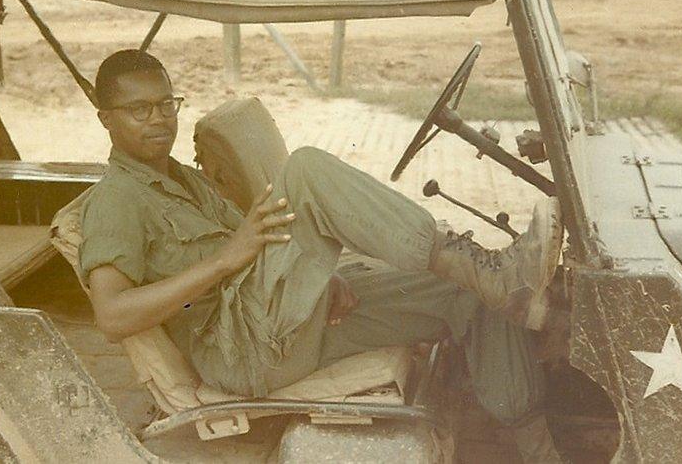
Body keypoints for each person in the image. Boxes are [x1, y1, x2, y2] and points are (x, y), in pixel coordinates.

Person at [62, 49, 565, 462]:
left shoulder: (183, 178)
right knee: (303, 170)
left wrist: (314, 278)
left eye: (167, 104)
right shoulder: (117, 200)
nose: (159, 120)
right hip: (240, 349)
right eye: (139, 110)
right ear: (106, 118)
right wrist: (222, 261)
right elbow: (111, 316)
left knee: (463, 291)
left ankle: (536, 446)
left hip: (277, 324)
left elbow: (258, 252)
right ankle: (493, 272)